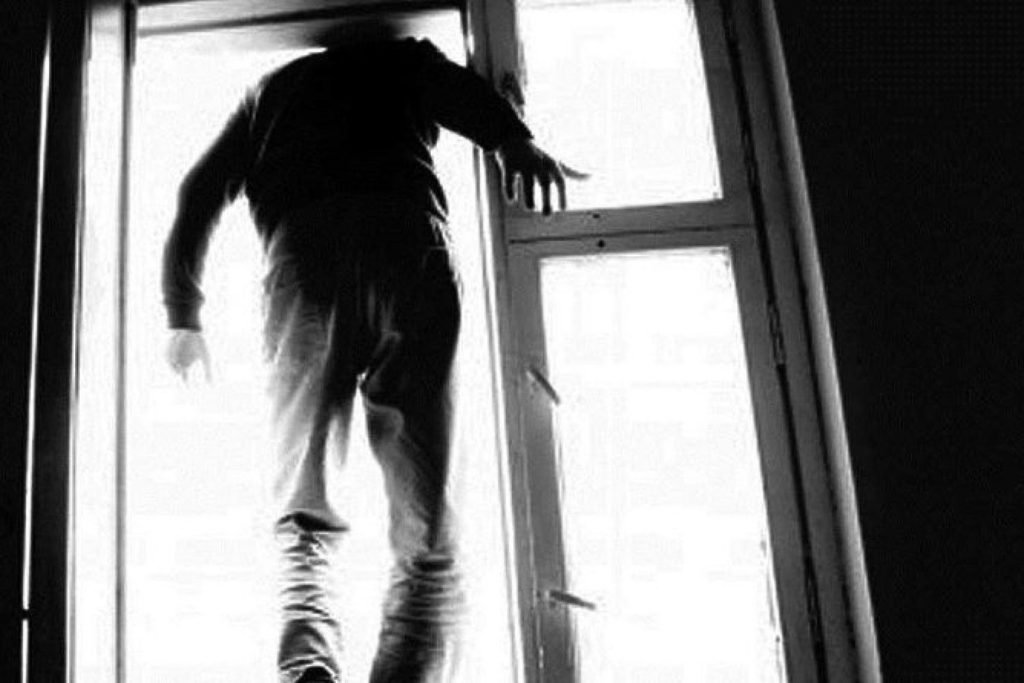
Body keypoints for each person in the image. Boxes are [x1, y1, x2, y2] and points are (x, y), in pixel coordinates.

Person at [162, 23, 578, 683]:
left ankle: (309, 669)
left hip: (304, 257)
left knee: (305, 509)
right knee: (427, 525)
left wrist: (184, 315)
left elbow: (199, 192)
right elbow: (462, 96)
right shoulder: (401, 60)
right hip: (404, 240)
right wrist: (511, 139)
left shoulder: (272, 91)